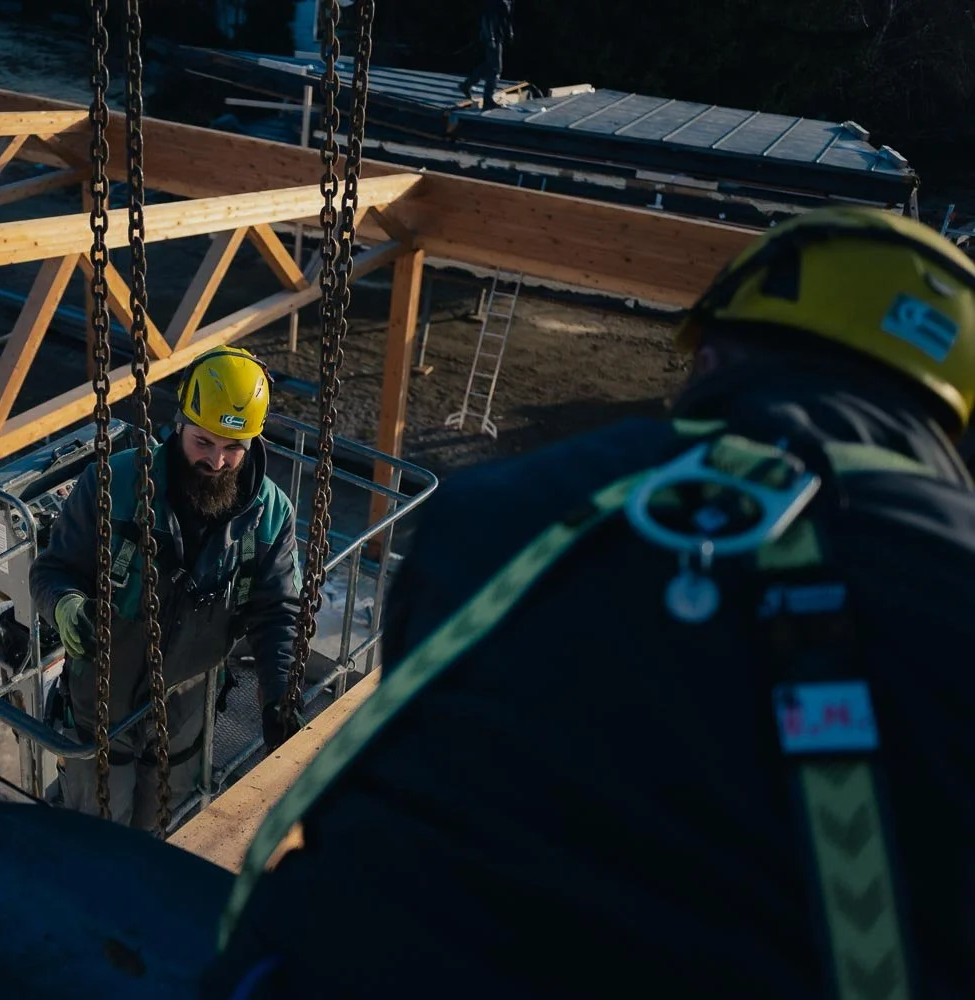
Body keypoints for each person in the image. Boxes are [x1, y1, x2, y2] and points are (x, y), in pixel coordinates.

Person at [203, 207, 975, 997]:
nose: (218, 457)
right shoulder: (951, 578)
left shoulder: (500, 508)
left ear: (707, 354)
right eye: (204, 441)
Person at [30, 346, 305, 833]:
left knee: (161, 828)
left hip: (185, 712)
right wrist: (67, 606)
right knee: (94, 834)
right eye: (203, 442)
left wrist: (278, 691)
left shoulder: (270, 517)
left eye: (233, 448)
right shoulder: (111, 484)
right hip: (101, 702)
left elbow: (278, 610)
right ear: (178, 423)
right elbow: (52, 571)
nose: (217, 462)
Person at [461, 0, 515, 108]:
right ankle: (488, 99)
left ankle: (467, 84)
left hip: (498, 34)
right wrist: (491, 38)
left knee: (490, 65)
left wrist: (509, 31)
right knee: (496, 69)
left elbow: (506, 17)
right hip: (492, 36)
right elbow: (487, 17)